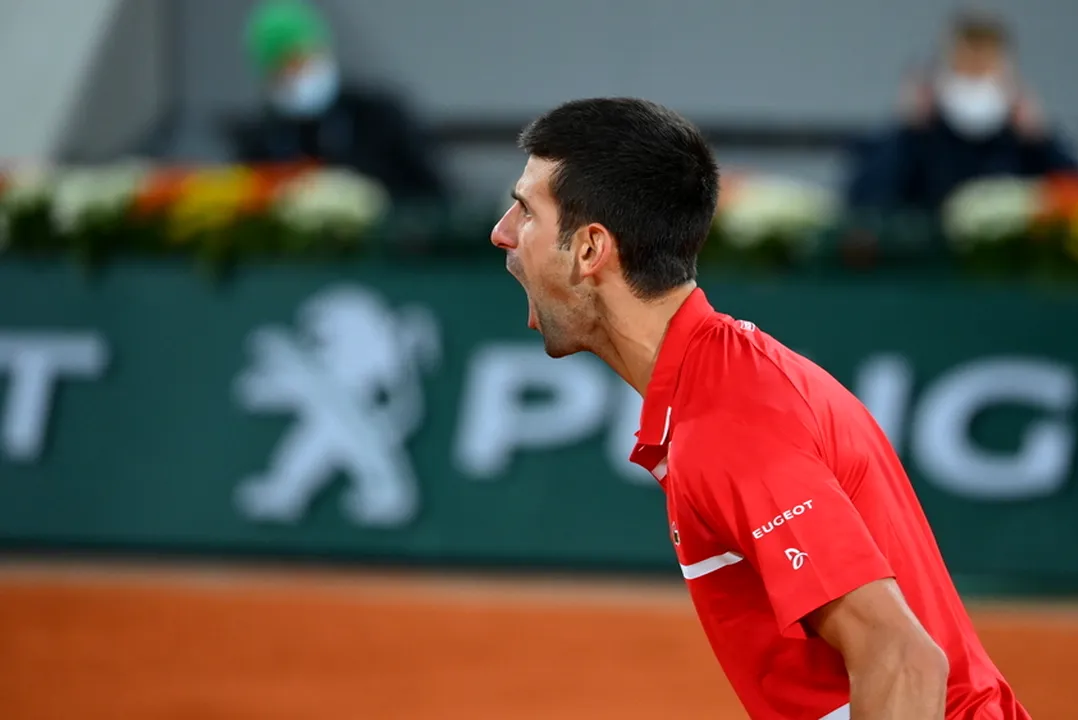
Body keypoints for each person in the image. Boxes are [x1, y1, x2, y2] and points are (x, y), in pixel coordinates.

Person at [490, 97, 1031, 720]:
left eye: (526, 210)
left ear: (590, 250)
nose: (502, 231)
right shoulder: (719, 386)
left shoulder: (729, 421)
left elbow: (903, 657)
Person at [847, 10, 1078, 211]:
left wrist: (1040, 139)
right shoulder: (914, 137)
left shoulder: (1027, 143)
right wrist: (907, 131)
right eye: (964, 66)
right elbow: (862, 202)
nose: (974, 78)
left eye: (983, 68)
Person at [230, 0, 449, 201]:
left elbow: (435, 193)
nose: (294, 76)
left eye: (300, 61)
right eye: (281, 71)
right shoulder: (261, 140)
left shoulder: (377, 117)